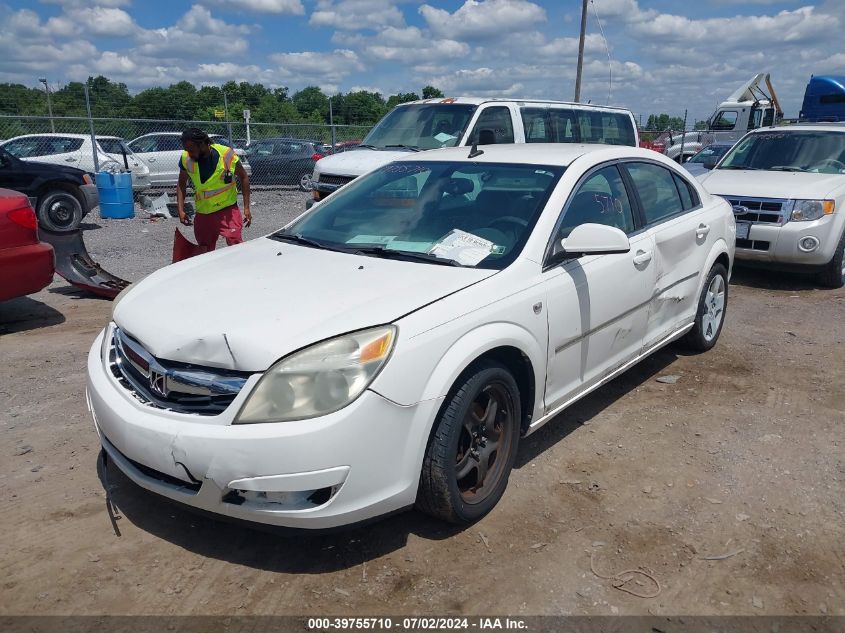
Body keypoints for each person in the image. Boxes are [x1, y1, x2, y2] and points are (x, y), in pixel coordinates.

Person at [176, 128, 251, 252]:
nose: (189, 153)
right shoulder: (186, 158)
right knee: (205, 250)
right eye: (186, 150)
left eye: (191, 150)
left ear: (202, 144)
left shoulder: (226, 155)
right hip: (204, 213)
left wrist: (246, 208)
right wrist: (180, 209)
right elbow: (181, 183)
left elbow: (244, 177)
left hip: (227, 210)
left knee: (236, 245)